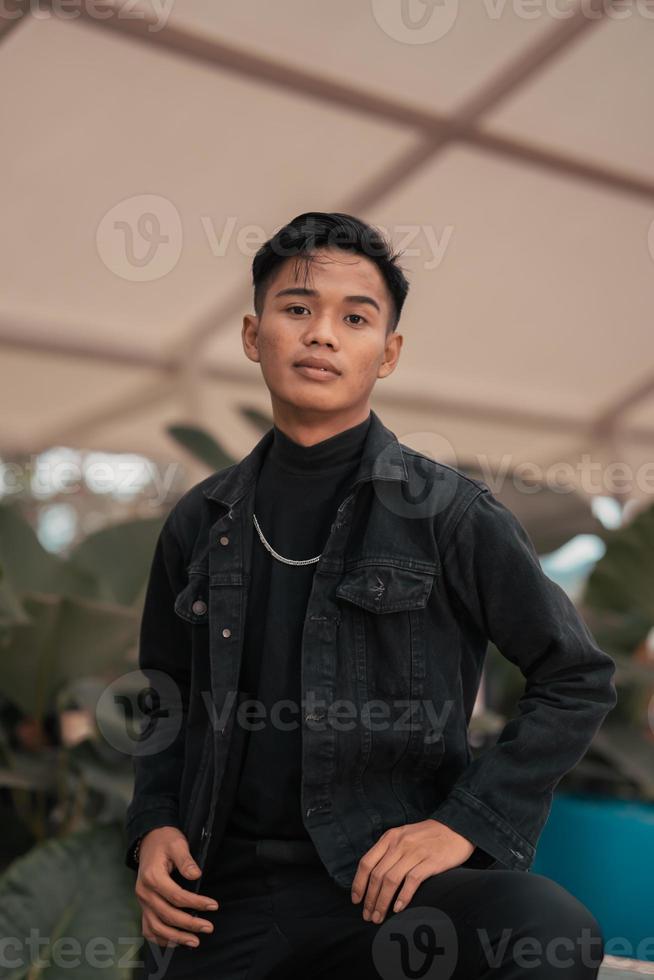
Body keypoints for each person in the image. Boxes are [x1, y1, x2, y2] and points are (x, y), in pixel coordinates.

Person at [125, 212, 617, 978]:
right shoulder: (200, 522)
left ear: (386, 354)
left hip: (390, 887)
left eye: (354, 318)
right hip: (228, 894)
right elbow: (165, 694)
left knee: (546, 928)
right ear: (255, 336)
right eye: (298, 309)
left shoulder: (451, 514)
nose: (322, 334)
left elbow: (575, 677)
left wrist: (461, 826)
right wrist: (153, 826)